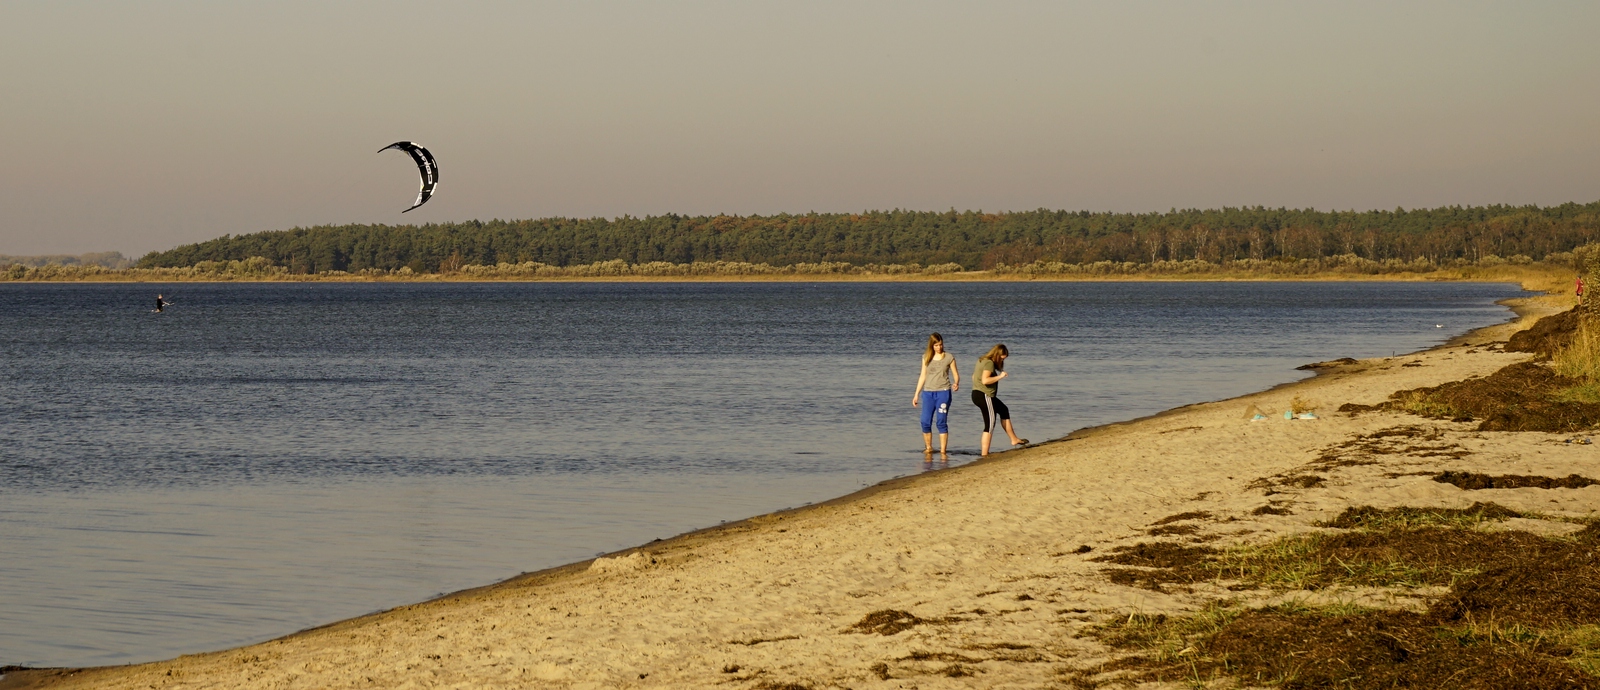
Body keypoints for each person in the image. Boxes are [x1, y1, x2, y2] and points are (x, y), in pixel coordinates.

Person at [971, 343, 1027, 456]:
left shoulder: (981, 360)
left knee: (1003, 410)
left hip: (978, 394)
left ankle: (1014, 439)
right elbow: (985, 381)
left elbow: (974, 376)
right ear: (997, 355)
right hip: (984, 396)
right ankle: (984, 454)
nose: (1002, 361)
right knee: (990, 424)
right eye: (1001, 358)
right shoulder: (989, 363)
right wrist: (1000, 377)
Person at [912, 332, 960, 456]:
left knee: (941, 421)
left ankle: (943, 451)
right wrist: (916, 394)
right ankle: (929, 448)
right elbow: (923, 376)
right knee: (925, 421)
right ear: (932, 345)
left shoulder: (949, 357)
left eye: (941, 345)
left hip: (943, 393)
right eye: (936, 345)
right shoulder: (926, 357)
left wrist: (956, 383)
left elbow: (955, 374)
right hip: (928, 393)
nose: (939, 347)